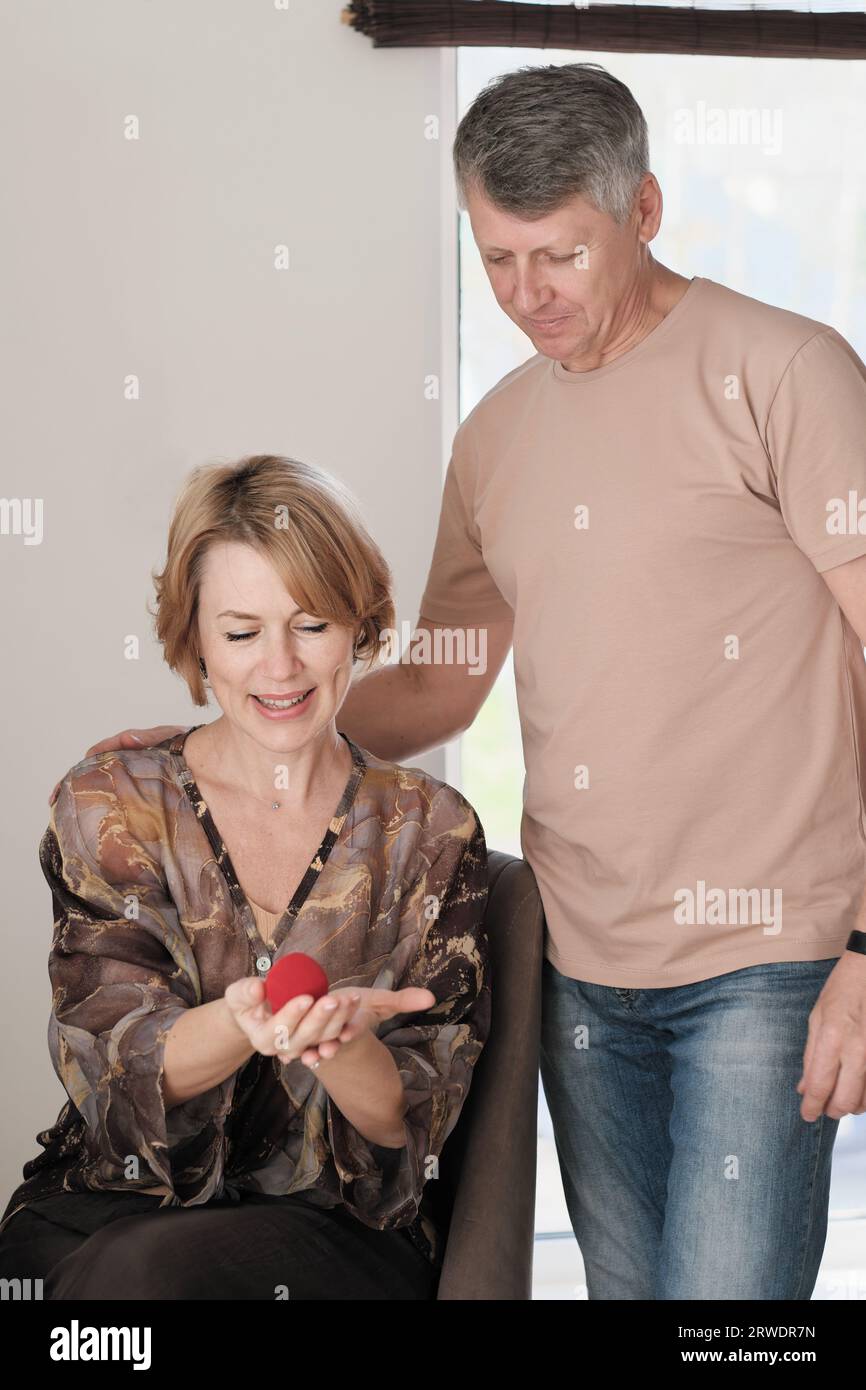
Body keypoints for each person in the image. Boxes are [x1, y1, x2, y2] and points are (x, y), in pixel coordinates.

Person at [78, 63, 866, 1301]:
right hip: (581, 960)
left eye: (556, 254)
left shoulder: (784, 371)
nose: (525, 295)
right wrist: (239, 733)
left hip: (767, 958)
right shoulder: (497, 432)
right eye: (495, 258)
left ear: (643, 210)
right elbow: (444, 685)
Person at [0, 454, 491, 1300]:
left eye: (312, 625)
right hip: (114, 1203)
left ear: (360, 625)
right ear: (192, 640)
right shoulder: (112, 807)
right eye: (241, 633)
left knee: (140, 1282)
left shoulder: (432, 832)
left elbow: (409, 1132)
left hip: (329, 1227)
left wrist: (342, 1048)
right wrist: (245, 1024)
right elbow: (116, 1077)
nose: (281, 667)